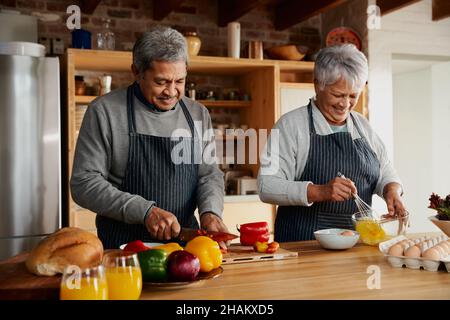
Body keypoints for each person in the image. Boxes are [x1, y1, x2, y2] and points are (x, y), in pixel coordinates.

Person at [70, 26, 228, 249]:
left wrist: (211, 212)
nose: (171, 92)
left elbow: (208, 174)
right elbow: (83, 183)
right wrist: (144, 211)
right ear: (136, 72)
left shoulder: (197, 113)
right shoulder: (105, 111)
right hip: (123, 250)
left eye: (179, 81)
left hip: (187, 247)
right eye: (161, 82)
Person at [258, 44, 407, 242]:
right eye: (338, 95)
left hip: (358, 246)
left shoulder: (362, 126)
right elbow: (267, 186)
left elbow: (385, 170)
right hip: (304, 248)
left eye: (353, 95)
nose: (345, 104)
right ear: (317, 84)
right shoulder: (291, 125)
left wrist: (392, 191)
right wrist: (320, 191)